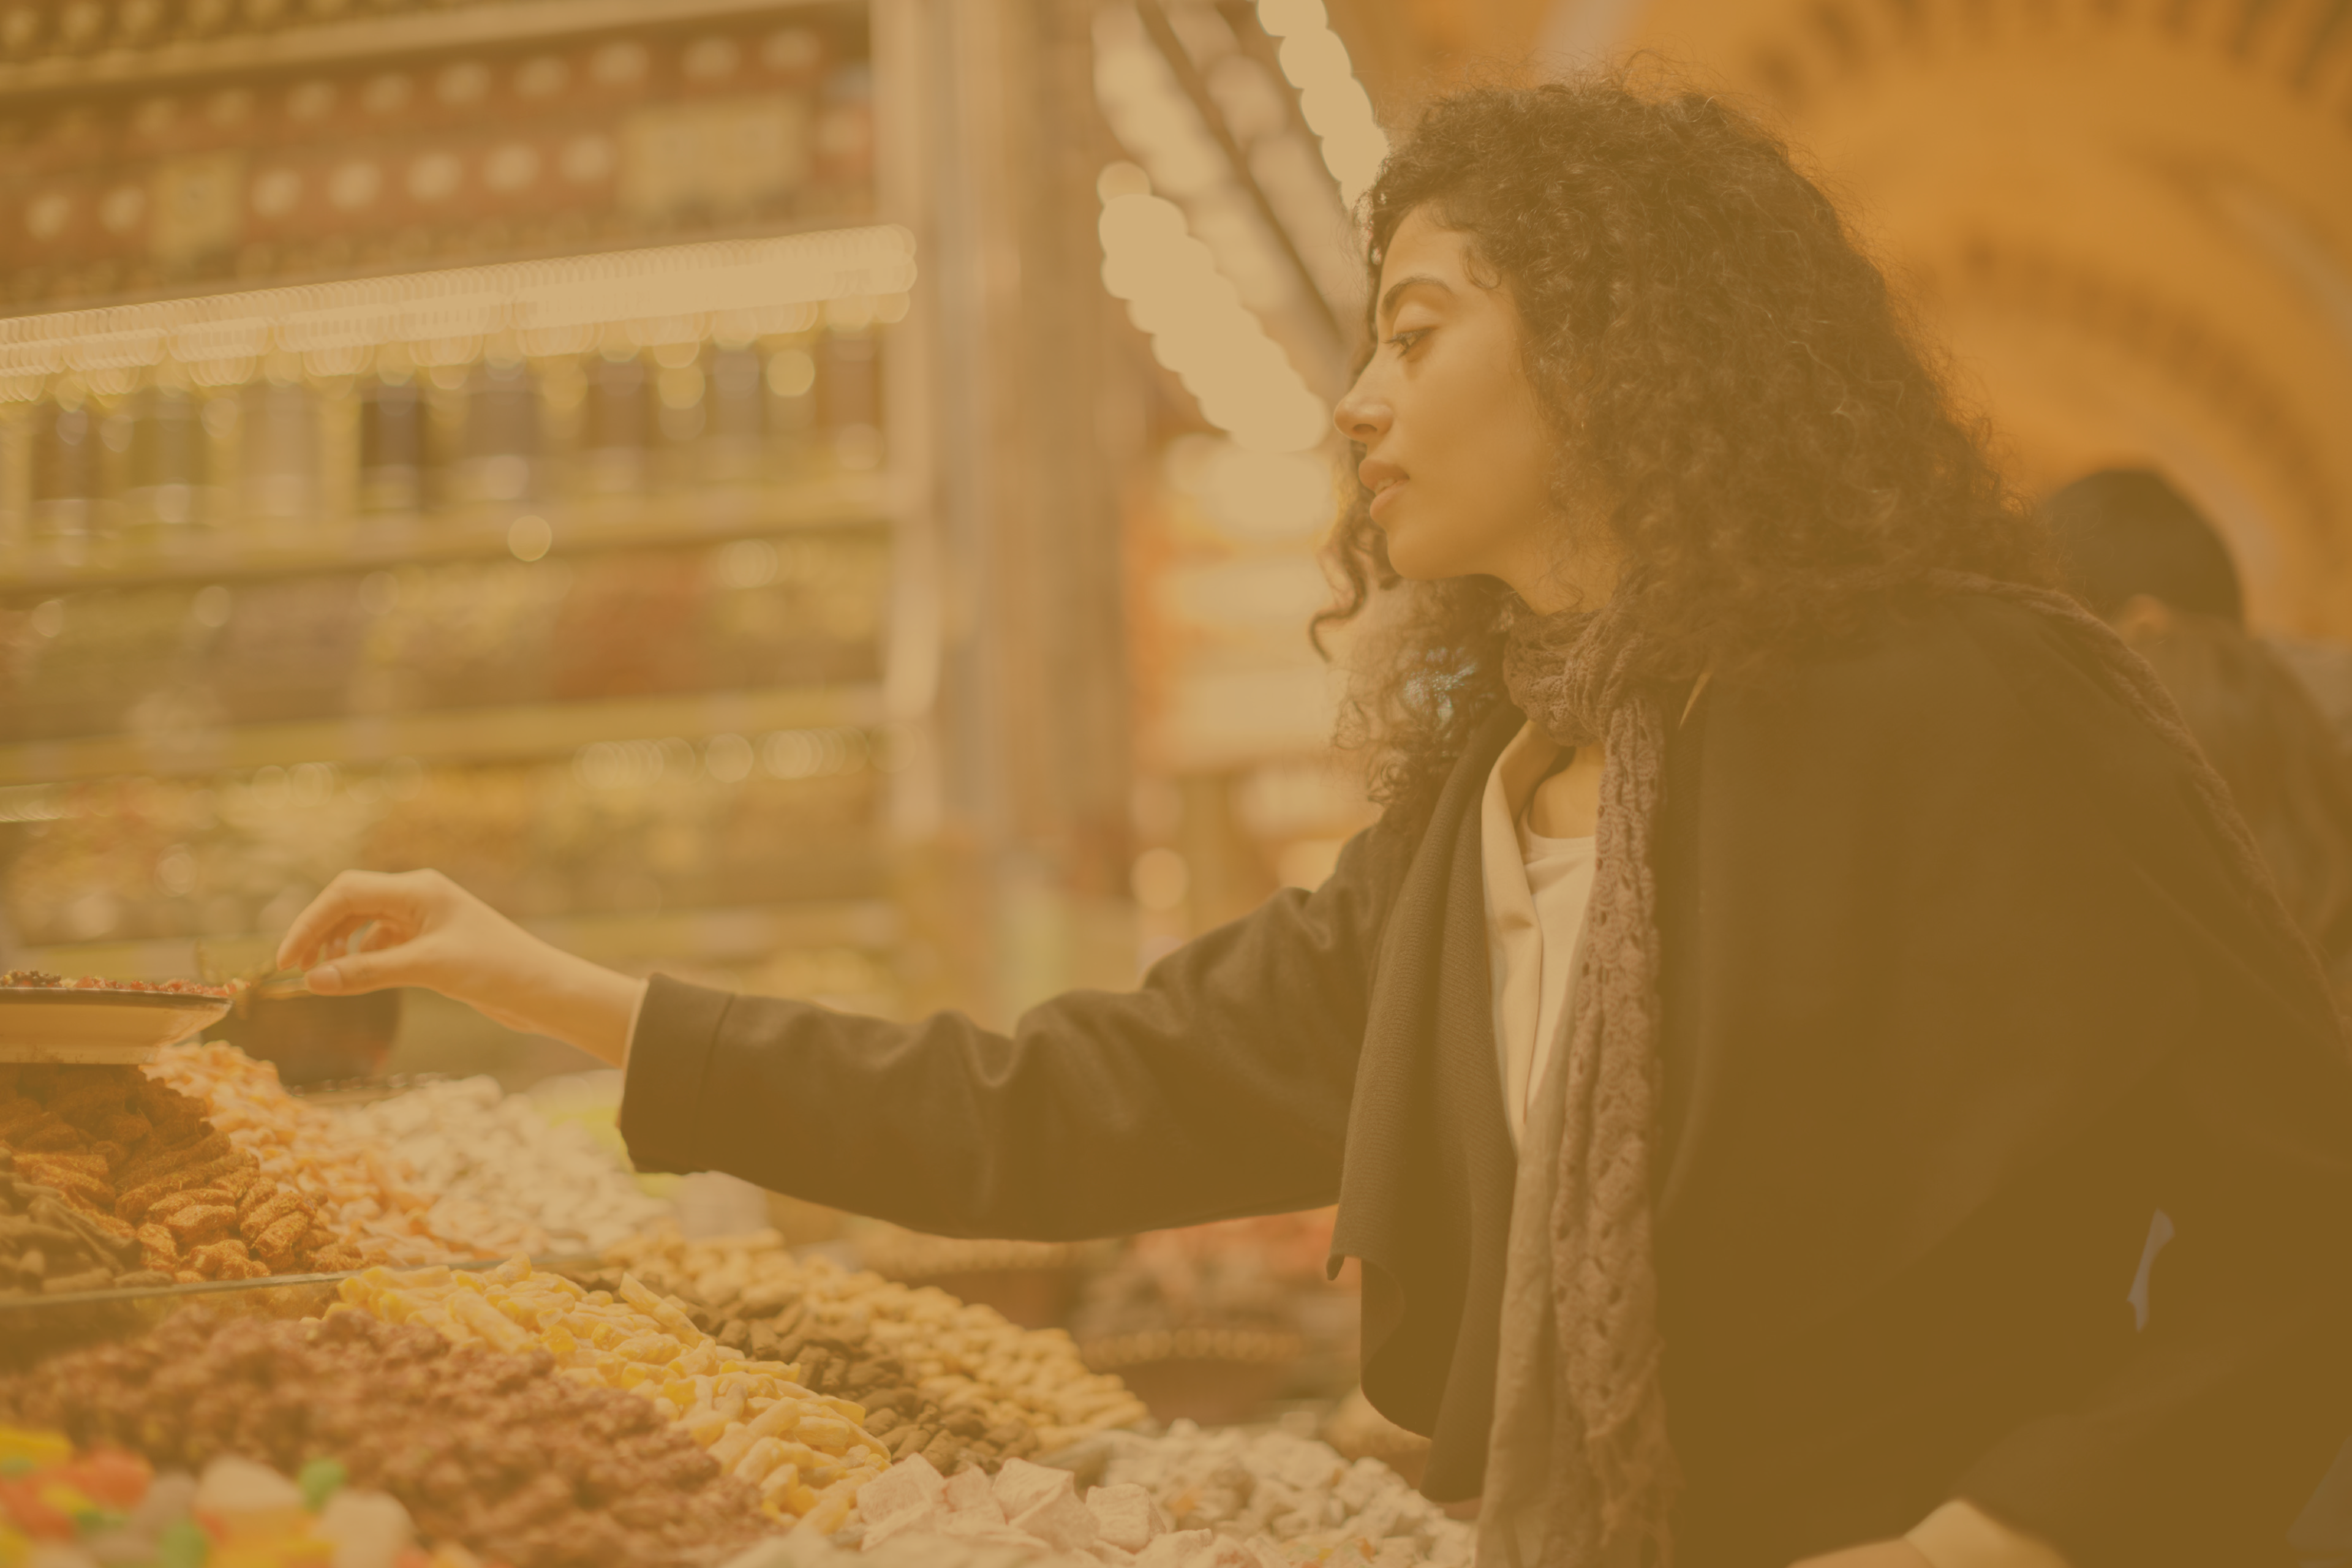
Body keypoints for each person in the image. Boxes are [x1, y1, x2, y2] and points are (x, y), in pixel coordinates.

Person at [276, 76, 2352, 1568]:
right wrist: (568, 993)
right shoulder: (1479, 825)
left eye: (1418, 332)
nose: (1361, 400)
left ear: (1626, 358)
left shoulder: (1970, 704)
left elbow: (2300, 1238)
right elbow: (1052, 1103)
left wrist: (2005, 1540)